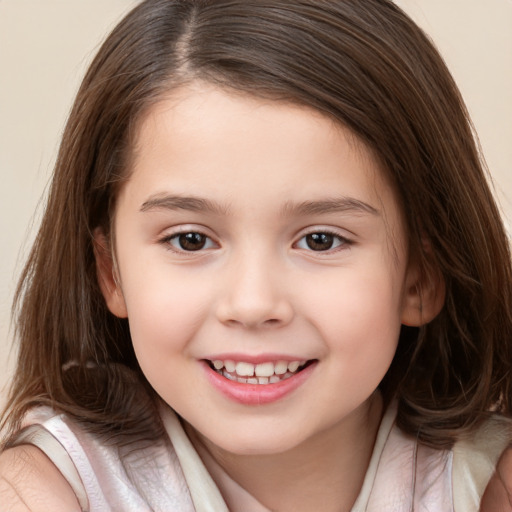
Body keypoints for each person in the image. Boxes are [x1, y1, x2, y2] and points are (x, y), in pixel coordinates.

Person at [1, 0, 511, 510]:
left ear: (419, 279)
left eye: (320, 240)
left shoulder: (492, 485)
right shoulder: (35, 494)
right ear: (111, 272)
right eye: (190, 240)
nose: (252, 303)